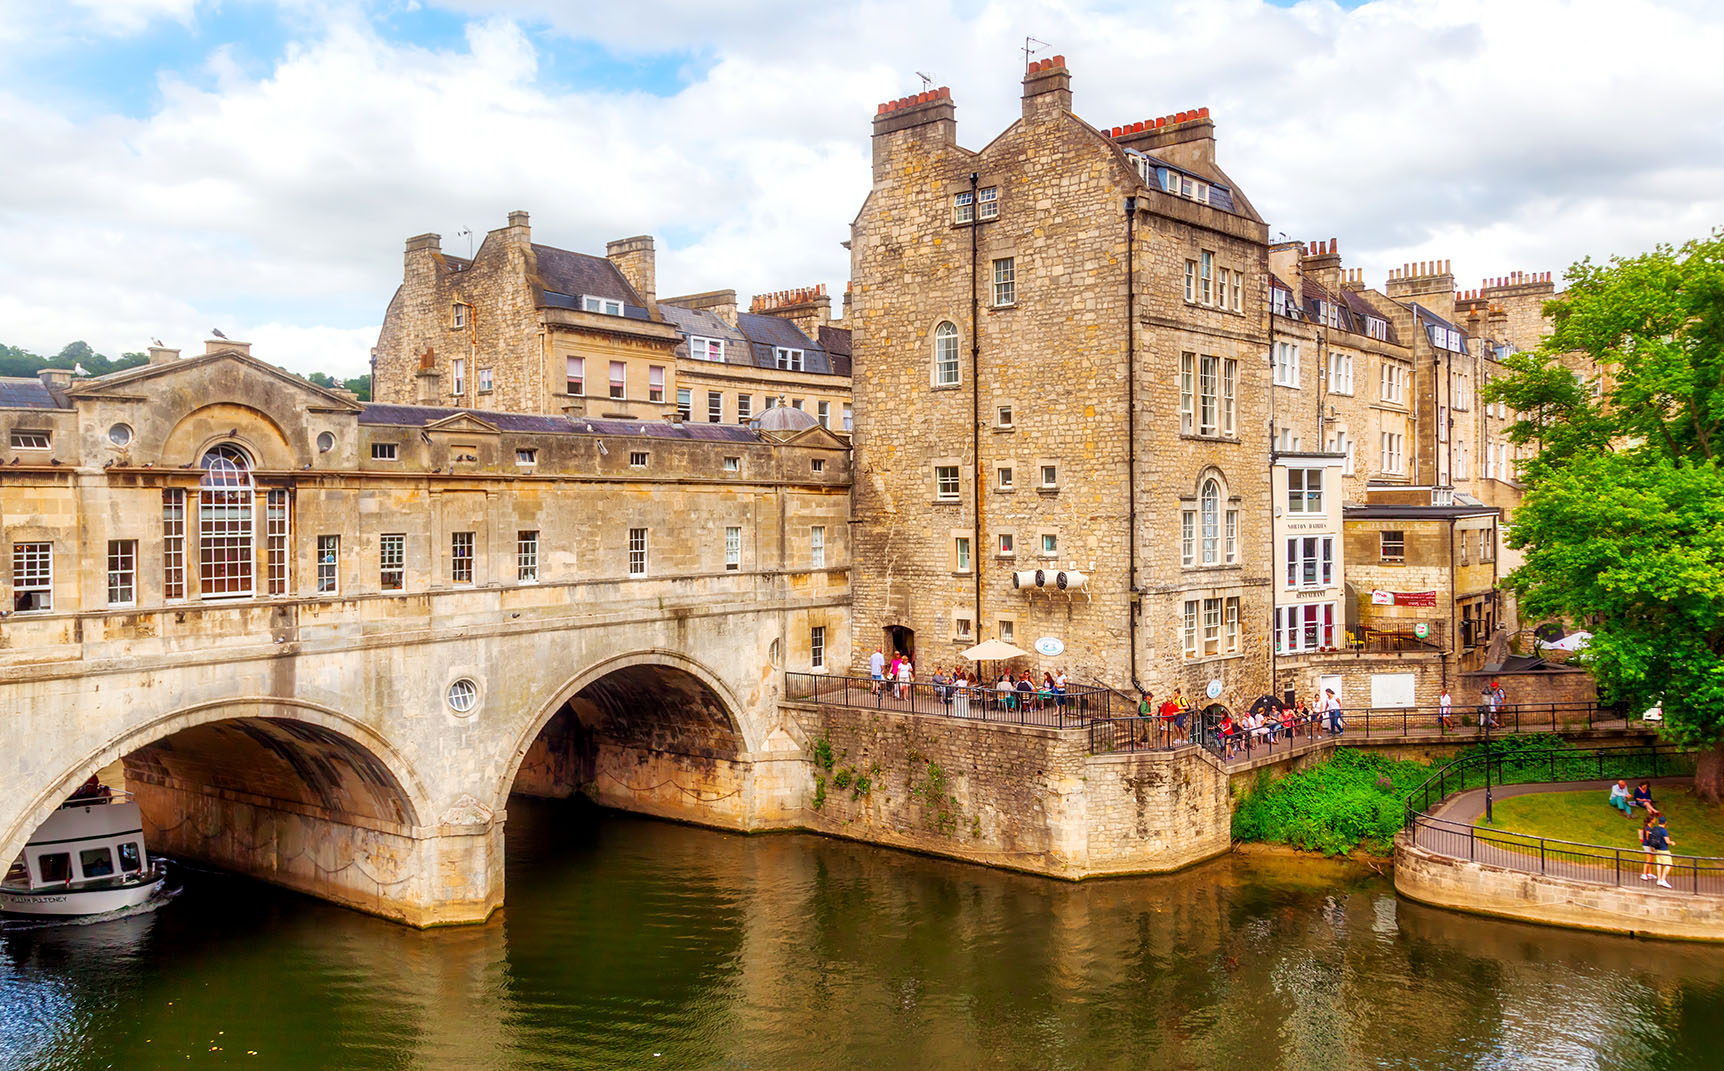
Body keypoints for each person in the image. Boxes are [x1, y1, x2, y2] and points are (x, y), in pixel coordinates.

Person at [1647, 815, 1676, 888]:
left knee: (1659, 864)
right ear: (1665, 823)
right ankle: (1663, 880)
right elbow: (1667, 841)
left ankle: (1659, 879)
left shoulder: (1655, 828)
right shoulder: (1664, 831)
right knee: (1669, 864)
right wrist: (1672, 842)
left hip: (1657, 849)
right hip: (1664, 849)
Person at [1640, 815, 1657, 881]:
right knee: (1648, 859)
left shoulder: (1649, 828)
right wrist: (1651, 846)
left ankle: (1649, 873)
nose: (1655, 820)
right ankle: (1644, 874)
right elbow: (1648, 838)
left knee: (1651, 859)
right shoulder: (1648, 828)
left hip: (1648, 845)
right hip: (1647, 845)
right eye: (1654, 819)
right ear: (1651, 820)